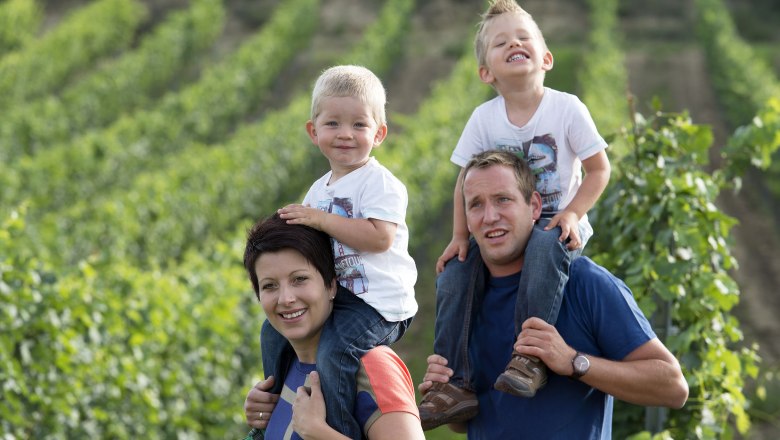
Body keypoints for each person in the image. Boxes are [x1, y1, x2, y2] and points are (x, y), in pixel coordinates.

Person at [421, 0, 612, 426]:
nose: (514, 44)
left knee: (545, 247)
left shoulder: (566, 108)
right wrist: (458, 237)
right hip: (504, 224)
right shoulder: (484, 118)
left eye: (523, 37)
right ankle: (455, 382)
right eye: (501, 42)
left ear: (545, 57)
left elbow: (600, 169)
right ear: (486, 72)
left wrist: (572, 213)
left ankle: (529, 358)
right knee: (454, 273)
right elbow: (464, 182)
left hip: (554, 222)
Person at [417, 150, 688, 437]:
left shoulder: (584, 283)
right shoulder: (462, 300)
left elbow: (673, 387)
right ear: (467, 219)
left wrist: (573, 361)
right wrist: (448, 390)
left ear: (534, 206)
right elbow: (468, 423)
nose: (490, 216)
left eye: (503, 200)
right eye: (476, 205)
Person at [264, 65, 418, 438]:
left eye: (359, 125)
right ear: (313, 131)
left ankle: (336, 427)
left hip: (378, 304)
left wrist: (319, 219)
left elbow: (379, 238)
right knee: (271, 333)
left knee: (336, 353)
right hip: (341, 295)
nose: (345, 134)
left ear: (379, 134)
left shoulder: (381, 183)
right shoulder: (319, 190)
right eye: (333, 124)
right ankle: (272, 401)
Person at [241, 213, 424, 440]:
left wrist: (319, 433)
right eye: (270, 286)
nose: (285, 298)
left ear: (331, 286)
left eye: (300, 279)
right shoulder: (284, 366)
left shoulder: (372, 365)